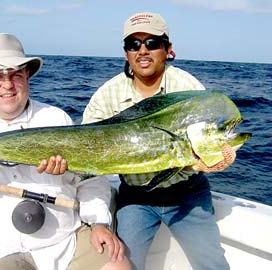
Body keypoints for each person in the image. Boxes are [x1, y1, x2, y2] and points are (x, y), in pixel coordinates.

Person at [0, 33, 130, 270]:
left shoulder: (56, 118)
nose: (8, 84)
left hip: (64, 240)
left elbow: (92, 177)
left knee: (118, 265)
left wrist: (99, 222)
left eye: (16, 75)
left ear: (27, 76)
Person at [82, 12, 235, 270]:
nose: (143, 50)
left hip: (188, 195)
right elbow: (84, 146)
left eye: (152, 43)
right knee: (122, 264)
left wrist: (221, 156)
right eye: (134, 44)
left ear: (167, 49)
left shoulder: (187, 87)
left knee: (213, 265)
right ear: (126, 52)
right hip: (135, 197)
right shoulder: (106, 94)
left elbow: (216, 135)